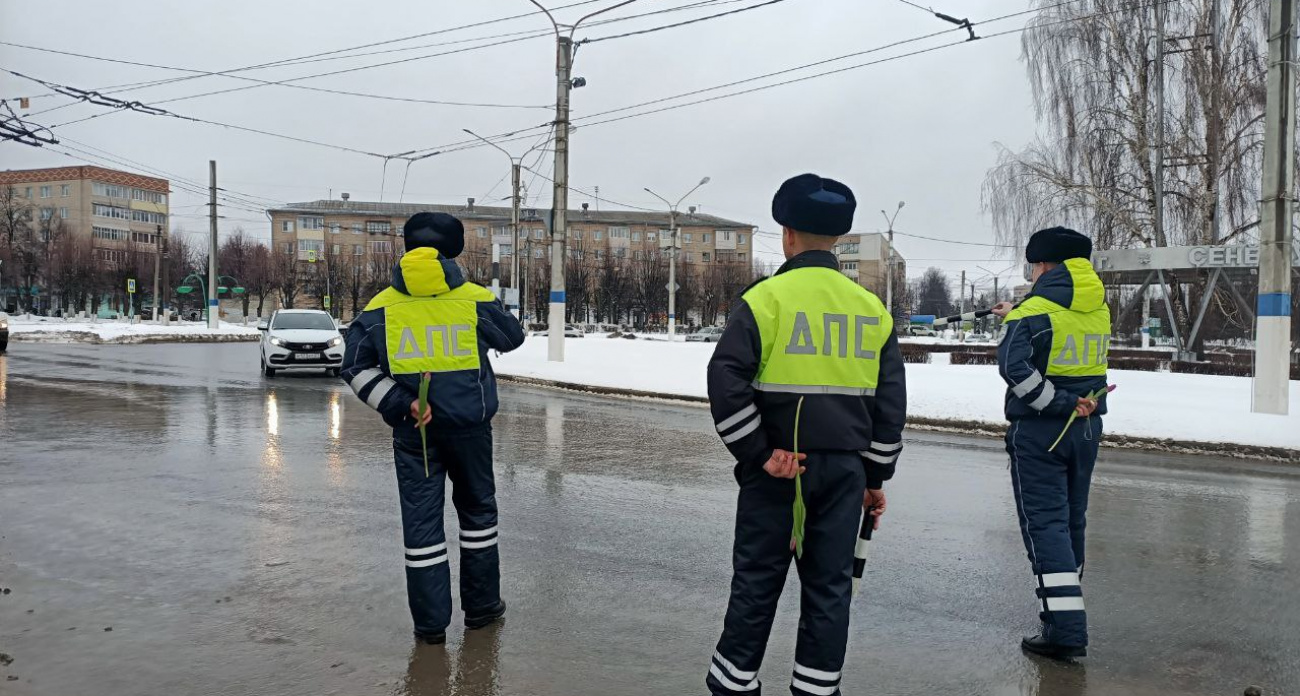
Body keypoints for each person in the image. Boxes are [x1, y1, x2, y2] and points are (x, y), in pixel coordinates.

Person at [704, 174, 907, 696]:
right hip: (844, 475)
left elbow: (725, 382)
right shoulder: (871, 310)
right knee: (829, 593)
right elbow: (889, 408)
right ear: (837, 239)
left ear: (787, 234)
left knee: (755, 587)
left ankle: (733, 687)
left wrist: (758, 452)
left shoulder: (764, 299)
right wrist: (874, 475)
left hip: (779, 472)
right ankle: (817, 691)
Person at [340, 211, 525, 645]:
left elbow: (353, 368)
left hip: (413, 433)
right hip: (470, 430)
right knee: (478, 517)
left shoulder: (380, 306)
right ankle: (481, 610)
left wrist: (401, 404)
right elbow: (512, 338)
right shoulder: (473, 297)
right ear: (453, 250)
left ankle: (430, 626)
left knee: (421, 527)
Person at [990, 226, 1111, 660]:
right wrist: (1017, 313)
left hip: (1043, 430)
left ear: (1044, 265)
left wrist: (1056, 402)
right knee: (1071, 521)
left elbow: (1014, 369)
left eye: (1034, 265)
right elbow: (1057, 334)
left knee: (1045, 527)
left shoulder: (1032, 311)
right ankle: (1066, 614)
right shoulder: (1099, 308)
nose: (1033, 272)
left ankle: (1064, 631)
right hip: (1087, 428)